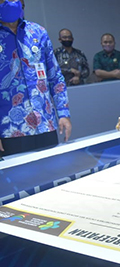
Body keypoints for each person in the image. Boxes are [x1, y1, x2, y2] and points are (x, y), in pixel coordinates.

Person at [0, 0, 71, 157]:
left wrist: (63, 113)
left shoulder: (37, 32)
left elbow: (55, 76)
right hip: (10, 130)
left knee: (55, 175)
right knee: (18, 179)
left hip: (46, 124)